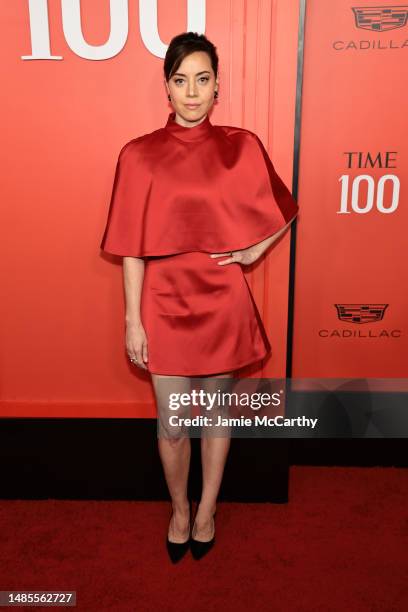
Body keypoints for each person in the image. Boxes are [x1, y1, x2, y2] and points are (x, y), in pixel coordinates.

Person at [100, 32, 299, 562]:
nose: (192, 92)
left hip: (221, 299)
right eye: (181, 80)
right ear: (167, 87)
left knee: (214, 419)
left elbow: (284, 206)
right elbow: (130, 248)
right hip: (162, 303)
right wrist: (132, 321)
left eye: (203, 79)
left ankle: (207, 509)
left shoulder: (241, 146)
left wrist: (255, 251)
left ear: (218, 87)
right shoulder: (139, 156)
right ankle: (179, 509)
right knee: (172, 424)